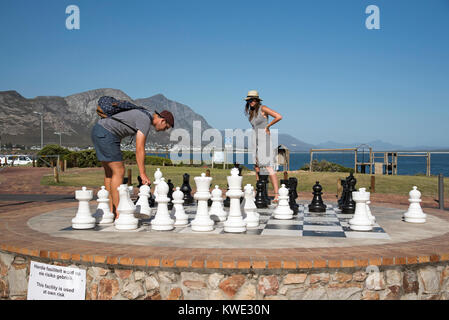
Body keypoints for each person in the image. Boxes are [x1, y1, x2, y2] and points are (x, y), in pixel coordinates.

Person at [91, 108, 174, 219]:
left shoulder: (144, 114)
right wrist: (142, 173)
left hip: (99, 131)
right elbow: (139, 148)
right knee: (119, 171)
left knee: (110, 173)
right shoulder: (145, 120)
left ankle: (111, 211)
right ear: (162, 120)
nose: (164, 130)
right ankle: (120, 215)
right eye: (166, 127)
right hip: (107, 134)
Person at [244, 90, 283, 202]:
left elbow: (278, 116)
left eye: (253, 99)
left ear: (257, 100)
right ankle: (259, 190)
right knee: (256, 167)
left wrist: (268, 126)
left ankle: (277, 194)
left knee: (268, 167)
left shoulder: (263, 108)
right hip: (254, 139)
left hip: (264, 139)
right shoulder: (251, 112)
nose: (251, 102)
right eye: (249, 100)